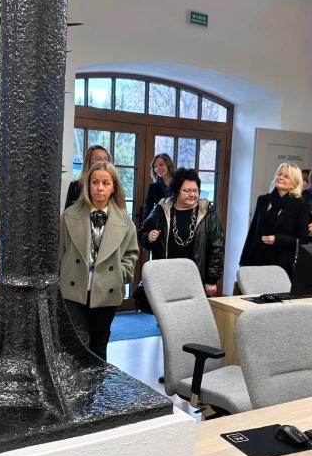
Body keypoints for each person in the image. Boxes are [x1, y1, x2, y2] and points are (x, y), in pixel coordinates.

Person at [60, 161, 139, 360]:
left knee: (99, 343)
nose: (100, 188)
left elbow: (131, 253)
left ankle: (98, 381)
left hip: (107, 289)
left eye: (106, 183)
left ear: (114, 187)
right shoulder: (70, 216)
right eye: (95, 182)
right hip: (73, 290)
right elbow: (59, 251)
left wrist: (121, 275)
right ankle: (78, 380)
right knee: (78, 342)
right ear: (88, 185)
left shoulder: (125, 221)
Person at [140, 168, 225, 296]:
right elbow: (143, 234)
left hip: (196, 278)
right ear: (176, 191)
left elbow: (217, 247)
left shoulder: (207, 212)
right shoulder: (162, 209)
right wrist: (148, 237)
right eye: (187, 191)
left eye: (195, 190)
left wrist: (212, 280)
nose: (192, 194)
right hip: (165, 277)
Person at [239, 163, 308, 278]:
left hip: (280, 266)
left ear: (294, 184)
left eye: (286, 176)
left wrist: (278, 239)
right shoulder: (263, 200)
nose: (281, 177)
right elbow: (252, 232)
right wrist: (243, 261)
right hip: (256, 261)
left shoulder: (300, 205)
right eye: (279, 174)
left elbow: (302, 239)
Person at [64, 145, 111, 209]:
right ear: (89, 162)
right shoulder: (76, 186)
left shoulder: (114, 186)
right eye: (98, 159)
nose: (103, 162)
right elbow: (68, 213)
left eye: (106, 159)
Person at [142, 152, 174, 220]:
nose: (158, 168)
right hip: (161, 223)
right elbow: (148, 209)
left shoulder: (180, 183)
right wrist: (147, 225)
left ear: (168, 165)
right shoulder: (153, 187)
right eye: (155, 166)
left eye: (161, 165)